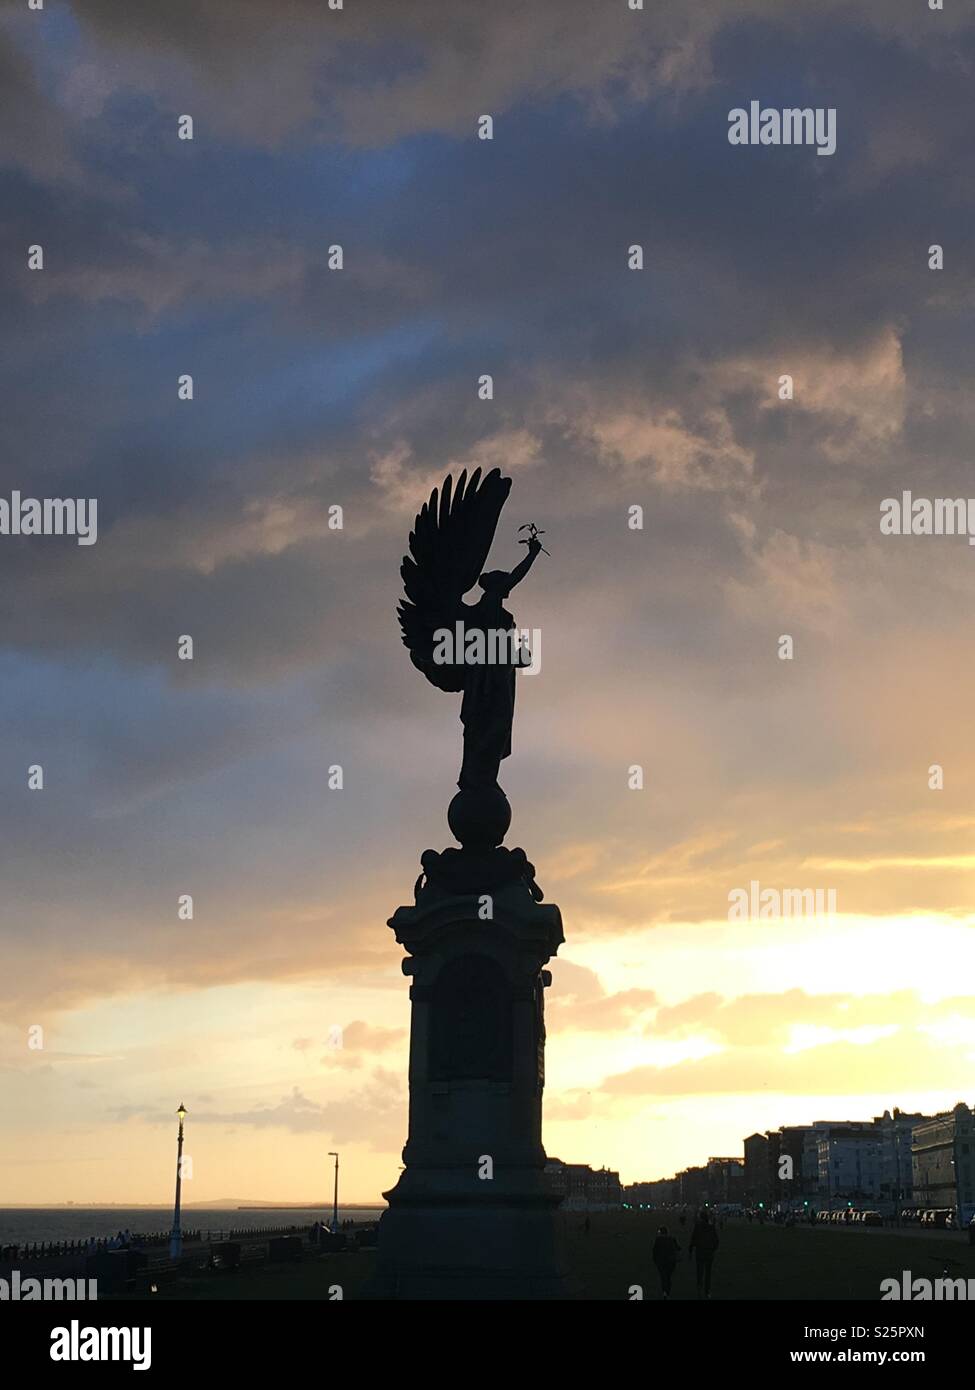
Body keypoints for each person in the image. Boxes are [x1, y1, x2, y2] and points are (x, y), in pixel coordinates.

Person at [689, 1211, 720, 1299]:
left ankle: (699, 1287)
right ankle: (707, 1291)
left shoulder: (698, 1227)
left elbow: (693, 1239)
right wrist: (713, 1249)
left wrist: (690, 1250)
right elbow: (716, 1240)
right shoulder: (711, 1227)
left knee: (700, 1271)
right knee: (708, 1273)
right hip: (709, 1253)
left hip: (700, 1252)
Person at [652, 1225, 680, 1299]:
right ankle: (667, 1292)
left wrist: (655, 1260)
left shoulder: (658, 1239)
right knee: (668, 1277)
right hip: (671, 1261)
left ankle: (665, 1292)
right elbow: (678, 1248)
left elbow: (655, 1250)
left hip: (661, 1261)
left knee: (663, 1277)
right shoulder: (672, 1238)